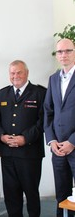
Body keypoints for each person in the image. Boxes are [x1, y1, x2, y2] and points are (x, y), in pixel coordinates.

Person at [0, 60, 46, 217]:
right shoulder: (3, 93)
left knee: (31, 192)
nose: (15, 76)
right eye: (12, 73)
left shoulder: (39, 93)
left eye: (19, 72)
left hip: (30, 154)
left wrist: (25, 138)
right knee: (11, 194)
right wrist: (1, 136)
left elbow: (43, 121)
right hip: (7, 153)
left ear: (27, 73)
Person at [44, 38, 75, 217]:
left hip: (74, 145)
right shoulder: (54, 79)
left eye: (68, 51)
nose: (64, 55)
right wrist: (52, 140)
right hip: (58, 149)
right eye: (60, 52)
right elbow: (48, 111)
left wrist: (72, 141)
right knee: (61, 195)